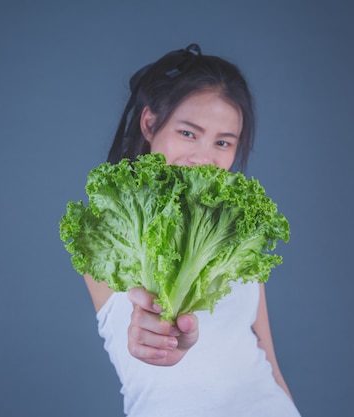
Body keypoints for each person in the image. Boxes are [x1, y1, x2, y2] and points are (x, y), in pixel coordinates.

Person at [83, 44, 301, 416]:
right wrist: (166, 336)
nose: (203, 158)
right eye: (188, 133)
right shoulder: (109, 230)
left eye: (222, 142)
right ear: (150, 123)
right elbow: (150, 321)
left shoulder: (236, 228)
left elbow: (264, 352)